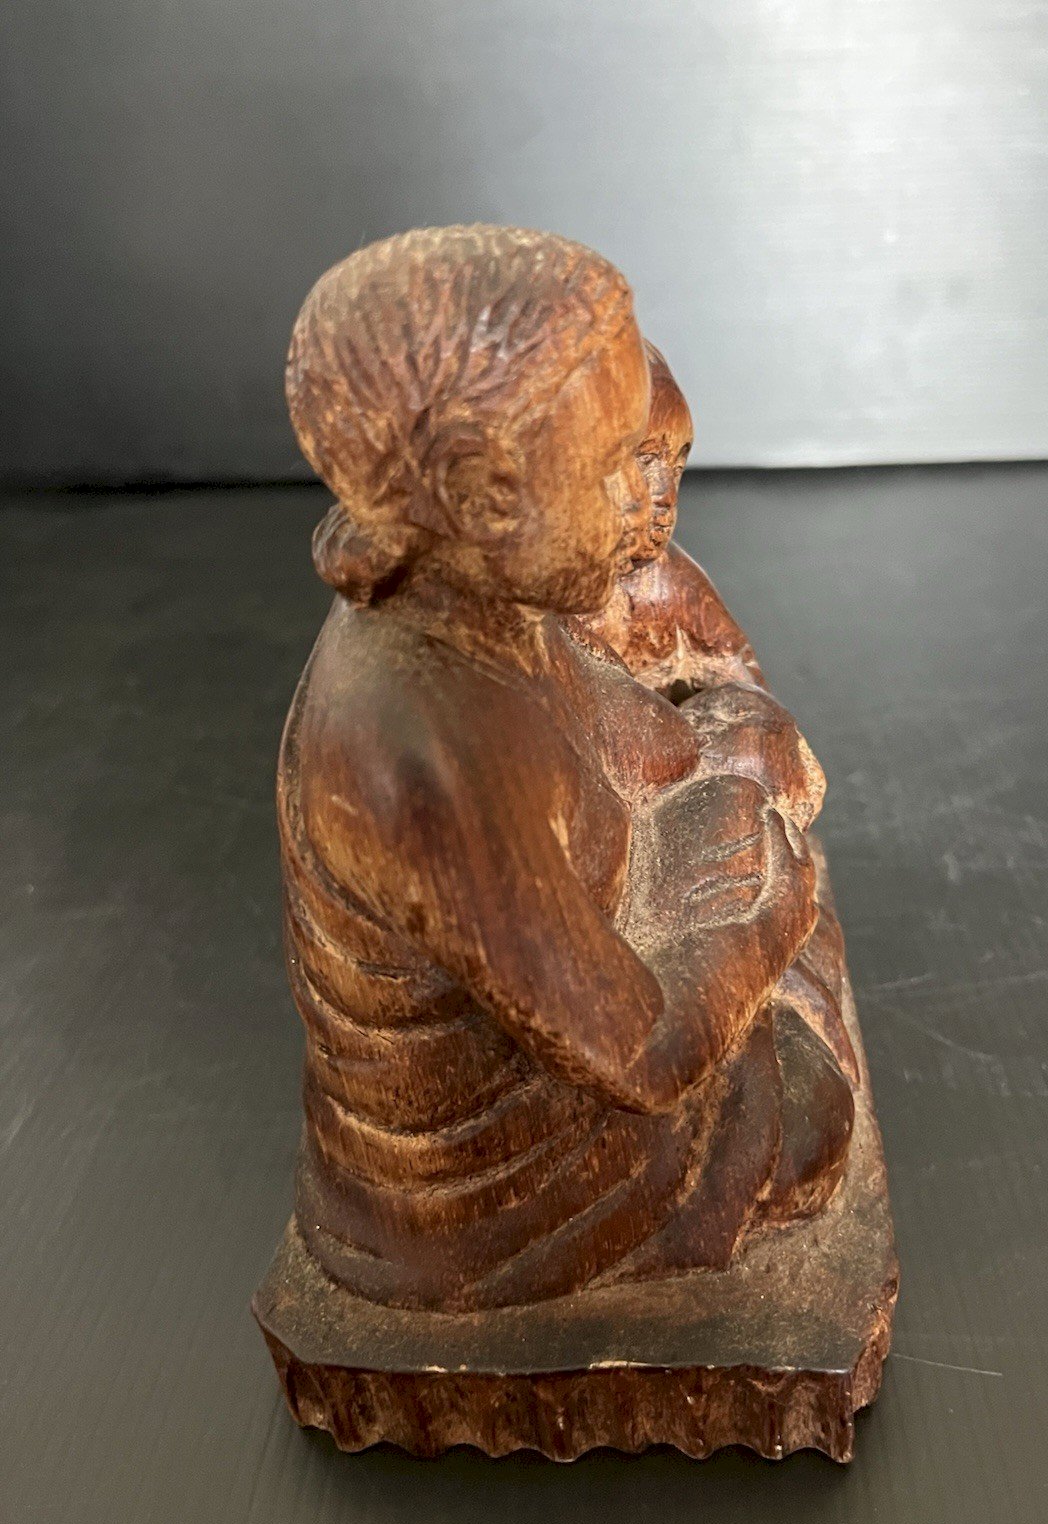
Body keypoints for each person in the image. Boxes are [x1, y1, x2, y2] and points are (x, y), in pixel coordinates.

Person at [281, 226, 853, 1312]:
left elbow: (641, 746)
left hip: (596, 975)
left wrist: (722, 766)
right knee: (813, 1106)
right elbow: (642, 1055)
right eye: (611, 469)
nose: (647, 508)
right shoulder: (419, 752)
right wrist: (761, 927)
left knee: (779, 871)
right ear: (483, 497)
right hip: (488, 1189)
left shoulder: (505, 605)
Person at [585, 341, 861, 1085]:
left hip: (693, 795)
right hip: (610, 826)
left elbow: (743, 678)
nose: (663, 494)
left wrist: (730, 728)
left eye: (676, 464)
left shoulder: (667, 584)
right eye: (642, 461)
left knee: (756, 744)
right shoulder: (536, 609)